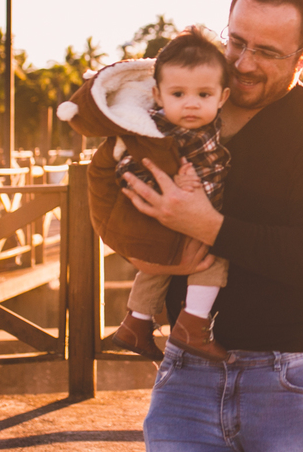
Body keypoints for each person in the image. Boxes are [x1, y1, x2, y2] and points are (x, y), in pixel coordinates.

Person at [122, 0, 303, 452]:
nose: (245, 63)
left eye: (268, 52)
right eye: (237, 42)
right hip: (185, 369)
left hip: (289, 379)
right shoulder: (181, 110)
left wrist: (207, 226)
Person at [56, 26, 234, 361]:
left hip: (172, 220)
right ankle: (193, 325)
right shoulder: (152, 131)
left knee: (156, 267)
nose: (191, 104)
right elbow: (127, 168)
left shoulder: (206, 125)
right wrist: (170, 183)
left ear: (222, 97)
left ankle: (135, 323)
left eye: (204, 95)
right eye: (178, 94)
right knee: (216, 256)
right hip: (159, 212)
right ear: (158, 95)